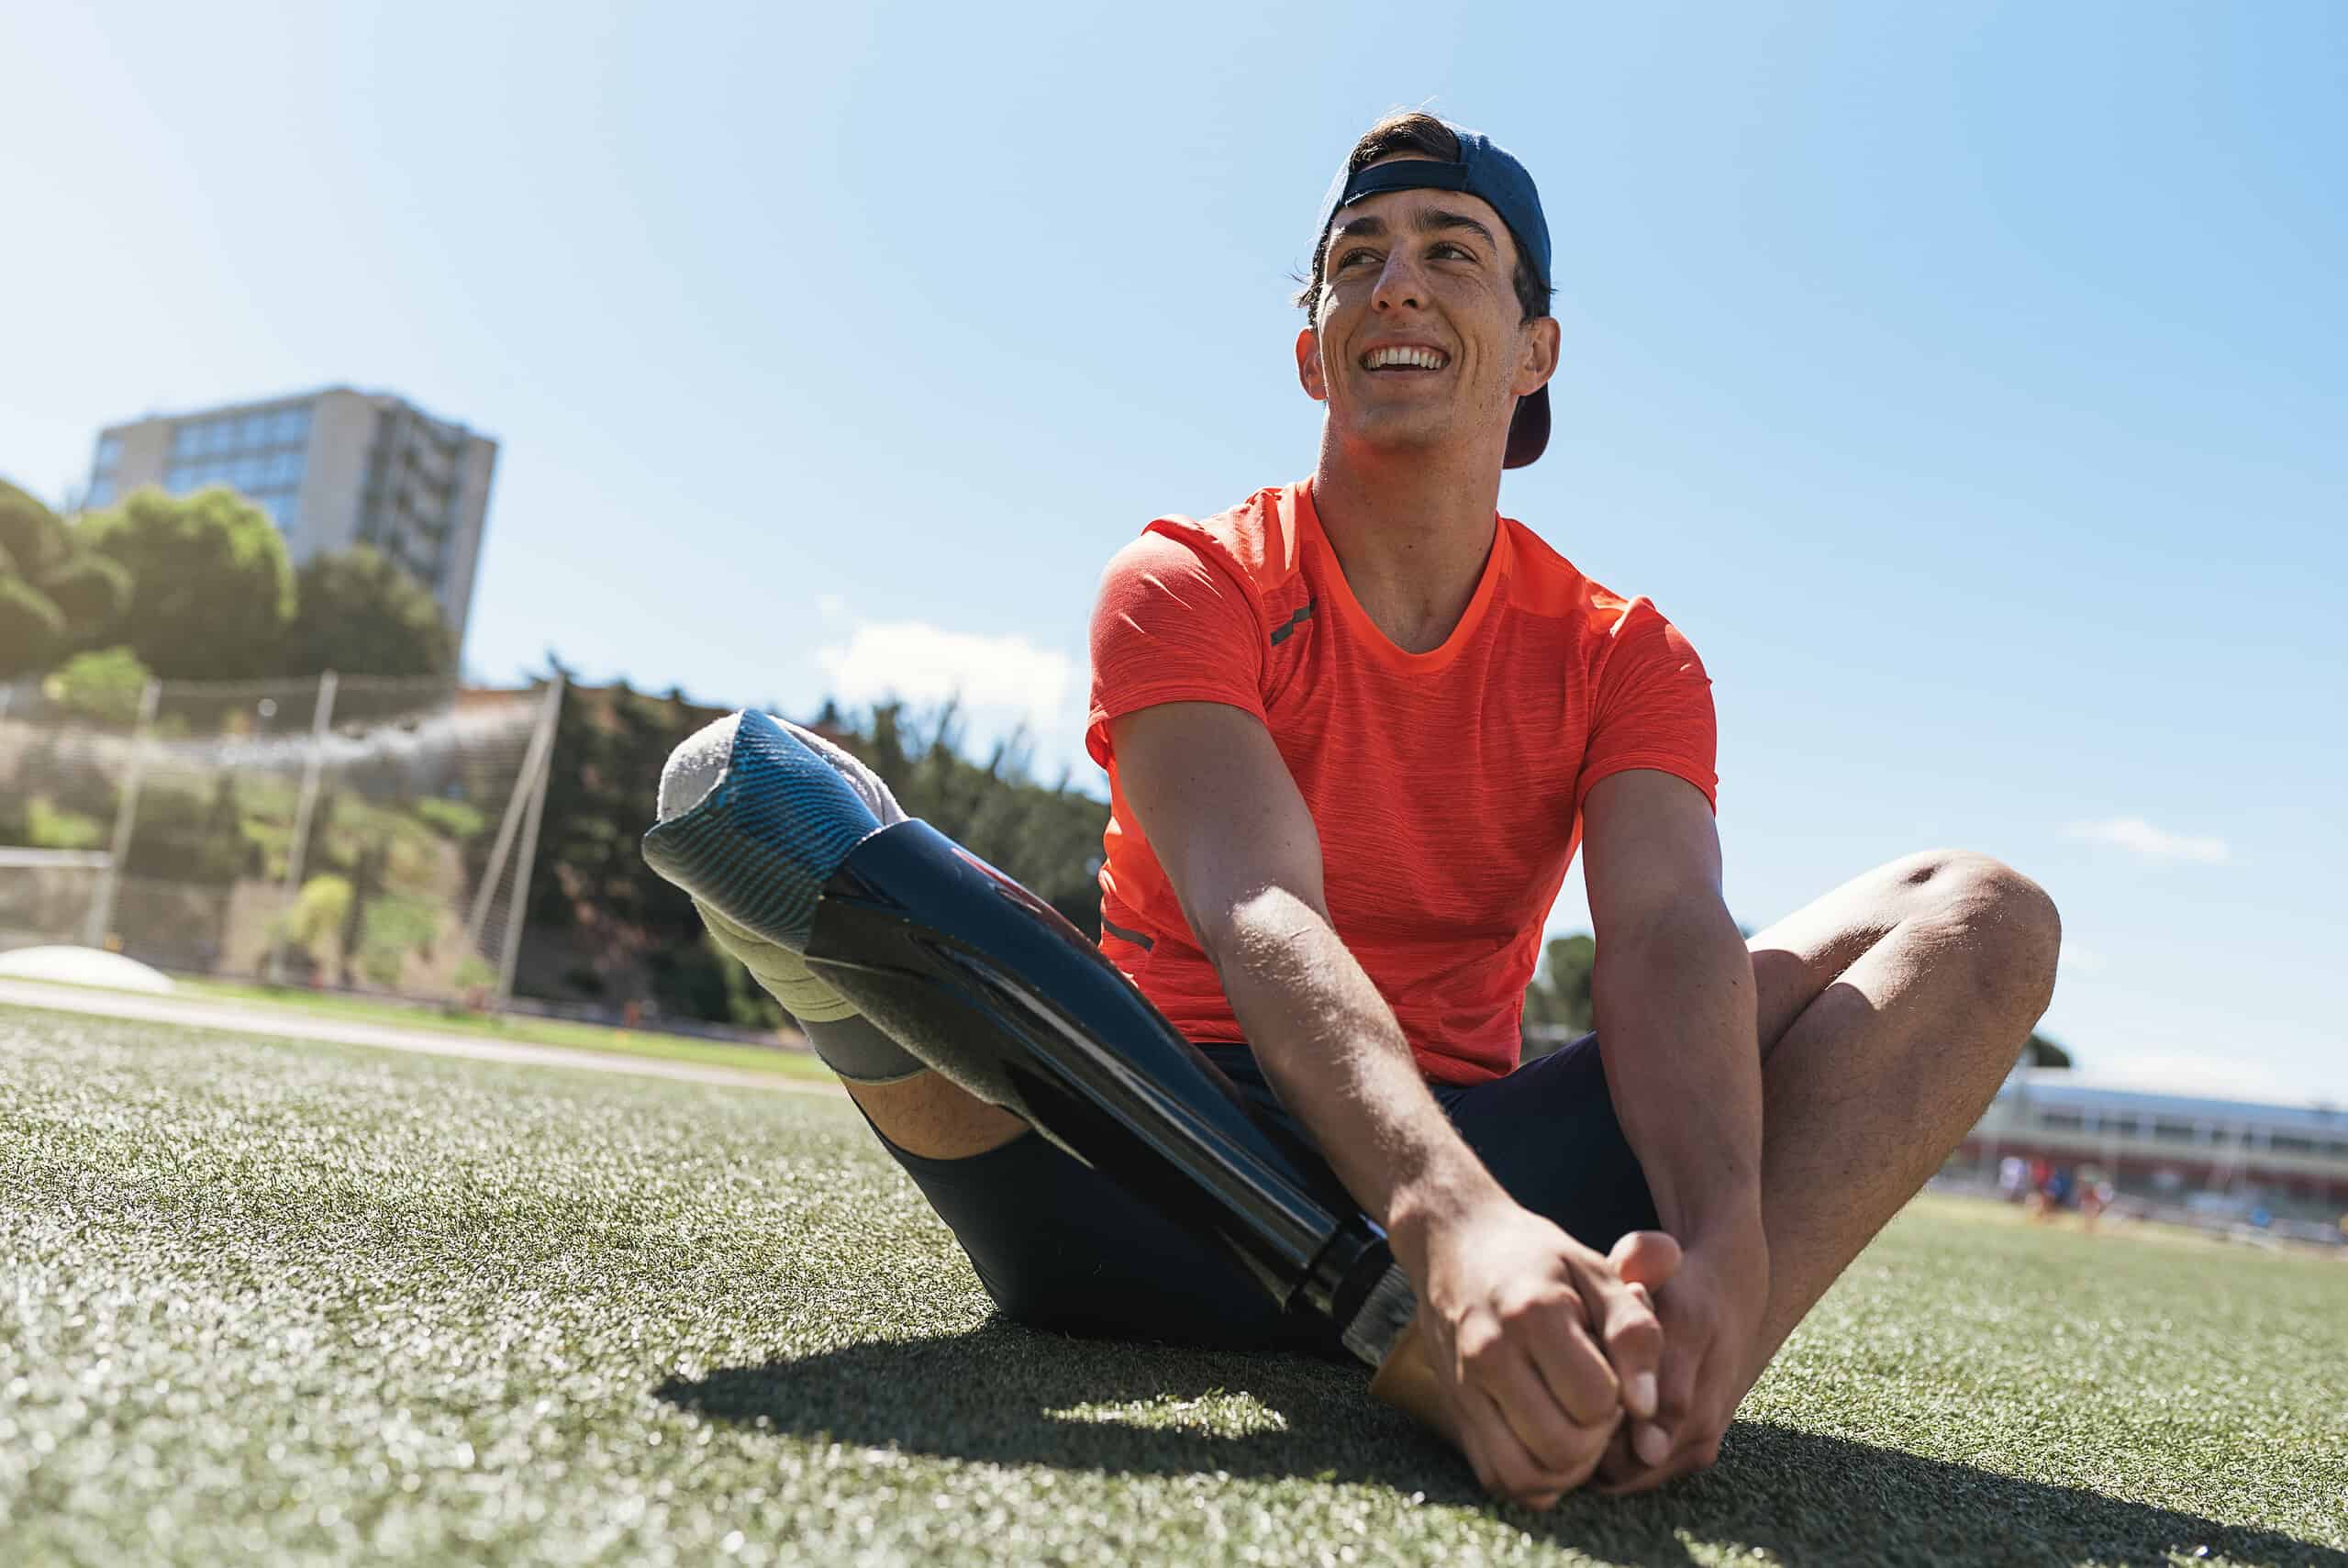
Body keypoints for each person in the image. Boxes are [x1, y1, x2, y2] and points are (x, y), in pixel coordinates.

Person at [682, 113, 2059, 1508]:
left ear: (1537, 354)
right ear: (1312, 348)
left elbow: (1659, 933)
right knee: (750, 799)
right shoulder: (1187, 579)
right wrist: (1445, 1228)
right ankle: (1414, 1326)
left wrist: (1725, 1240)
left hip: (1486, 1168)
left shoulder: (1623, 651)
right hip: (1141, 1172)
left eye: (1452, 253)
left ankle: (1650, 1385)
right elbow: (1259, 907)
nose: (1395, 282)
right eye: (1357, 259)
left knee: (1984, 913)